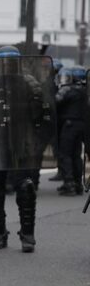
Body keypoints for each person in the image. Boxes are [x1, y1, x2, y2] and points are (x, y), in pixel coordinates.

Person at [0, 46, 45, 253]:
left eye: (10, 62)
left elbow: (43, 114)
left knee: (25, 187)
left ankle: (27, 235)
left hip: (21, 142)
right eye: (4, 63)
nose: (7, 66)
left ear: (18, 63)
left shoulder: (29, 83)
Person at [55, 67, 85, 196]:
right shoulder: (84, 91)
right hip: (81, 126)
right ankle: (78, 184)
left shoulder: (68, 90)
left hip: (69, 125)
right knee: (76, 155)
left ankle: (69, 183)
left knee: (64, 154)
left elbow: (55, 102)